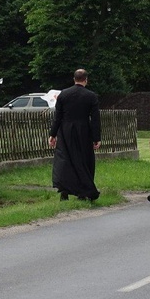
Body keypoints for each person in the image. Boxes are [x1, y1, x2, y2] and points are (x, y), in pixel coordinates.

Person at [49, 69, 101, 201]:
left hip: (66, 130)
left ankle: (64, 191)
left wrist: (53, 134)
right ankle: (82, 192)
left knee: (65, 159)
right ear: (86, 80)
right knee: (83, 160)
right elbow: (95, 119)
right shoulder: (91, 96)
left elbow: (57, 117)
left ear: (74, 79)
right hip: (83, 130)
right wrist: (96, 138)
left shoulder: (63, 95)